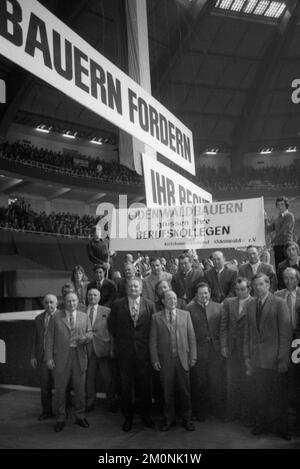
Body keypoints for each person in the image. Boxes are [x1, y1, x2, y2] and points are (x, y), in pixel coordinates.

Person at [244, 273, 292, 439]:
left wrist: (283, 358)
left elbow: (286, 333)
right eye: (255, 285)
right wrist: (247, 355)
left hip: (275, 359)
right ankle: (261, 424)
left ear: (268, 285)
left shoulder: (279, 303)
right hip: (257, 359)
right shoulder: (250, 304)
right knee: (260, 395)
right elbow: (248, 332)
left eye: (261, 284)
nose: (257, 288)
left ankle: (281, 428)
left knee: (278, 396)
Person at [108, 278, 156, 432]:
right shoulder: (117, 305)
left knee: (145, 388)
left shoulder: (149, 305)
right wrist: (123, 341)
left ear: (141, 288)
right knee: (126, 389)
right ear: (126, 288)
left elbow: (153, 329)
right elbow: (111, 326)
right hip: (125, 354)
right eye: (130, 286)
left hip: (144, 354)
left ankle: (146, 417)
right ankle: (128, 419)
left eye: (136, 286)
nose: (133, 288)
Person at [150, 290, 196, 432]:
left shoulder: (185, 315)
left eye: (175, 298)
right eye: (169, 299)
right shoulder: (156, 317)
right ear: (163, 301)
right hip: (165, 361)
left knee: (185, 391)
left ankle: (187, 419)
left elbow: (191, 337)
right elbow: (153, 341)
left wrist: (193, 356)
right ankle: (168, 419)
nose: (173, 301)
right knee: (167, 392)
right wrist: (155, 359)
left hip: (183, 359)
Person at [45, 292, 93, 432]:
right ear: (64, 302)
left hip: (79, 357)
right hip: (61, 358)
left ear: (78, 301)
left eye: (74, 301)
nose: (71, 303)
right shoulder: (55, 317)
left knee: (80, 389)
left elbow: (90, 333)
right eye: (68, 301)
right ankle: (60, 418)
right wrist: (49, 358)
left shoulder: (84, 316)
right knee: (60, 390)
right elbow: (49, 339)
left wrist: (86, 337)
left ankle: (80, 416)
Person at [187, 282, 225, 421]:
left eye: (206, 293)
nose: (204, 296)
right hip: (198, 352)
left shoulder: (218, 307)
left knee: (216, 382)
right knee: (200, 383)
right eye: (200, 293)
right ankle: (201, 412)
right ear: (196, 295)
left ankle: (217, 411)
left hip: (215, 351)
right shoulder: (189, 309)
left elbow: (223, 328)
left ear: (209, 293)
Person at [220, 278, 252, 423]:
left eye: (243, 289)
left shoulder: (254, 302)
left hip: (248, 350)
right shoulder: (229, 302)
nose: (239, 292)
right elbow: (224, 325)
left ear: (249, 289)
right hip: (232, 348)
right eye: (237, 289)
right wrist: (224, 345)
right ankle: (231, 413)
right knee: (231, 381)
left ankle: (246, 415)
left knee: (247, 382)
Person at [85, 288, 117, 412]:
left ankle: (111, 403)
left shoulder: (107, 311)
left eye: (95, 295)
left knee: (108, 378)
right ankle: (90, 403)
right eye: (90, 295)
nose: (92, 297)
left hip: (103, 349)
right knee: (89, 378)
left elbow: (112, 332)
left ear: (99, 297)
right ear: (87, 296)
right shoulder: (81, 311)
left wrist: (112, 348)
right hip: (87, 349)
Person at [30, 294, 58, 421]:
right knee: (45, 386)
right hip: (42, 358)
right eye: (46, 302)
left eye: (51, 302)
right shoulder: (38, 318)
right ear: (43, 304)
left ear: (56, 303)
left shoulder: (63, 316)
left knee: (60, 387)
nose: (49, 305)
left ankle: (61, 412)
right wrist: (33, 356)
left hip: (58, 358)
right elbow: (35, 338)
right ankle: (46, 411)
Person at [265, 196, 295, 270]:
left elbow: (283, 231)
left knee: (289, 269)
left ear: (286, 205)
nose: (280, 206)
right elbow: (268, 229)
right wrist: (265, 218)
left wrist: (272, 241)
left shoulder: (289, 215)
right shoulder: (277, 218)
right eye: (278, 205)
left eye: (282, 204)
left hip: (287, 246)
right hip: (277, 247)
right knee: (280, 269)